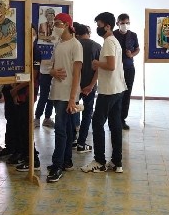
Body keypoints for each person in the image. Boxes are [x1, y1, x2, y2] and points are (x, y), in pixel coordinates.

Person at [81, 12, 127, 174]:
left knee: (97, 123)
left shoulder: (108, 42)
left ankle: (99, 161)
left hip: (108, 91)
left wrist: (96, 63)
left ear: (108, 26)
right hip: (117, 89)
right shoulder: (114, 41)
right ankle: (117, 162)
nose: (98, 28)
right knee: (115, 125)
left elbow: (111, 66)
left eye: (99, 25)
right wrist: (91, 84)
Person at [46, 13, 82, 183]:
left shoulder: (76, 45)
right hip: (57, 91)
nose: (55, 26)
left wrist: (72, 98)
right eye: (54, 23)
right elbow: (51, 67)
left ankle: (57, 165)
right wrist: (53, 72)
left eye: (58, 23)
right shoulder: (58, 44)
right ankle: (67, 160)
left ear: (67, 25)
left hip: (67, 94)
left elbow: (76, 74)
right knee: (66, 128)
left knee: (60, 128)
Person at [15, 24, 42, 171]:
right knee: (20, 124)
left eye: (32, 33)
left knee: (26, 125)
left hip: (28, 92)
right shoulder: (20, 51)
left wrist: (15, 89)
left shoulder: (36, 51)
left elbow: (32, 76)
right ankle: (25, 154)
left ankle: (33, 159)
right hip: (18, 91)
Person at [74, 23, 100, 153]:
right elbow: (99, 69)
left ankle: (72, 139)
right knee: (87, 114)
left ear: (76, 34)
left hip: (74, 85)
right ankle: (81, 143)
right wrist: (91, 85)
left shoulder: (74, 45)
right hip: (90, 86)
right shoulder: (97, 46)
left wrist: (77, 85)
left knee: (72, 110)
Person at [112, 13, 140, 130]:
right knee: (116, 93)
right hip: (116, 68)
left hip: (129, 68)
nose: (125, 25)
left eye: (127, 23)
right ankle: (114, 118)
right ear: (117, 23)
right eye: (122, 23)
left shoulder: (133, 35)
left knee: (127, 94)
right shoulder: (113, 35)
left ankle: (122, 119)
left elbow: (137, 49)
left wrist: (131, 54)